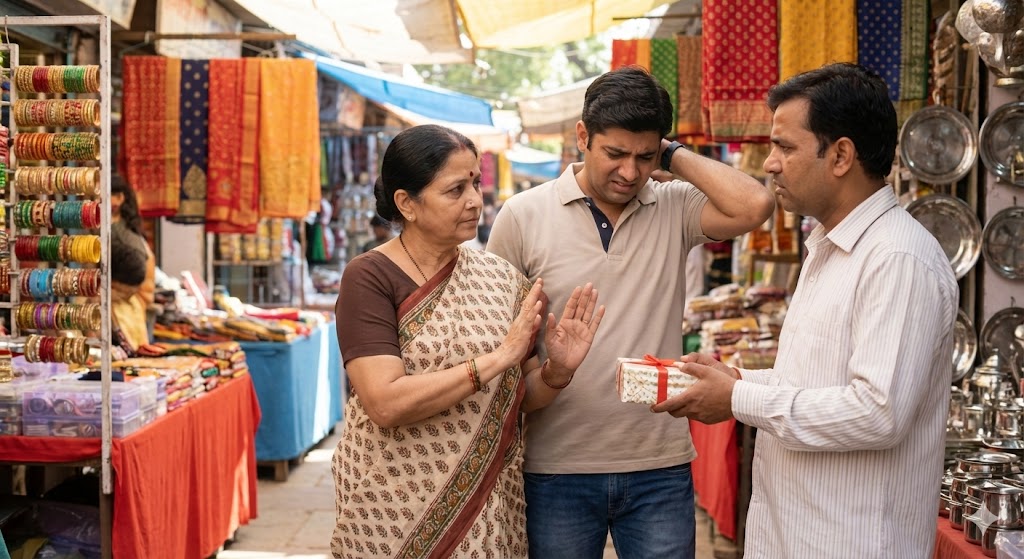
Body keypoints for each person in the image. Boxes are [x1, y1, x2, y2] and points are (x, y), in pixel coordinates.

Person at [652, 63, 959, 558]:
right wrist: (738, 382)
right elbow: (813, 383)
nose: (770, 163)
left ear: (840, 156)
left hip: (852, 542)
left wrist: (737, 400)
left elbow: (878, 412)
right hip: (798, 534)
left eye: (785, 147)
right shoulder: (831, 248)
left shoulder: (897, 258)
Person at [486, 65, 775, 558]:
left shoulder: (674, 206)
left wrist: (673, 154)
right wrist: (552, 369)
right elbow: (500, 347)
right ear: (583, 136)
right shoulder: (523, 215)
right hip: (556, 468)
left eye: (645, 156)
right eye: (614, 154)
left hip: (658, 467)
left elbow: (755, 205)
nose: (629, 172)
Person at [331, 124, 606, 558]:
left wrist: (557, 372)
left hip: (485, 507)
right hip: (392, 508)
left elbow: (515, 397)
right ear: (407, 203)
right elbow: (385, 402)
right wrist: (498, 359)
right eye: (455, 190)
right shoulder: (369, 277)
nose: (475, 201)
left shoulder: (499, 279)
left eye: (475, 184)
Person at [110, 175, 156, 351]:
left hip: (124, 312)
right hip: (129, 310)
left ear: (119, 199)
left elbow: (138, 274)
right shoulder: (124, 232)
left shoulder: (122, 235)